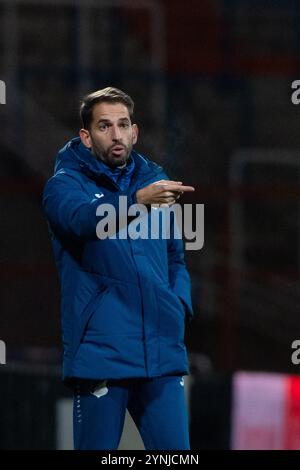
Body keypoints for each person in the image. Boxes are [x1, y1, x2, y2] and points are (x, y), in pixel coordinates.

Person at [43, 87, 195, 450]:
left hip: (161, 349)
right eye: (104, 126)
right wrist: (138, 200)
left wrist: (178, 305)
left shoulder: (154, 180)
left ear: (135, 132)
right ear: (86, 135)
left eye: (123, 124)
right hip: (102, 353)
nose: (116, 134)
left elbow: (175, 256)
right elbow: (83, 222)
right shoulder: (64, 186)